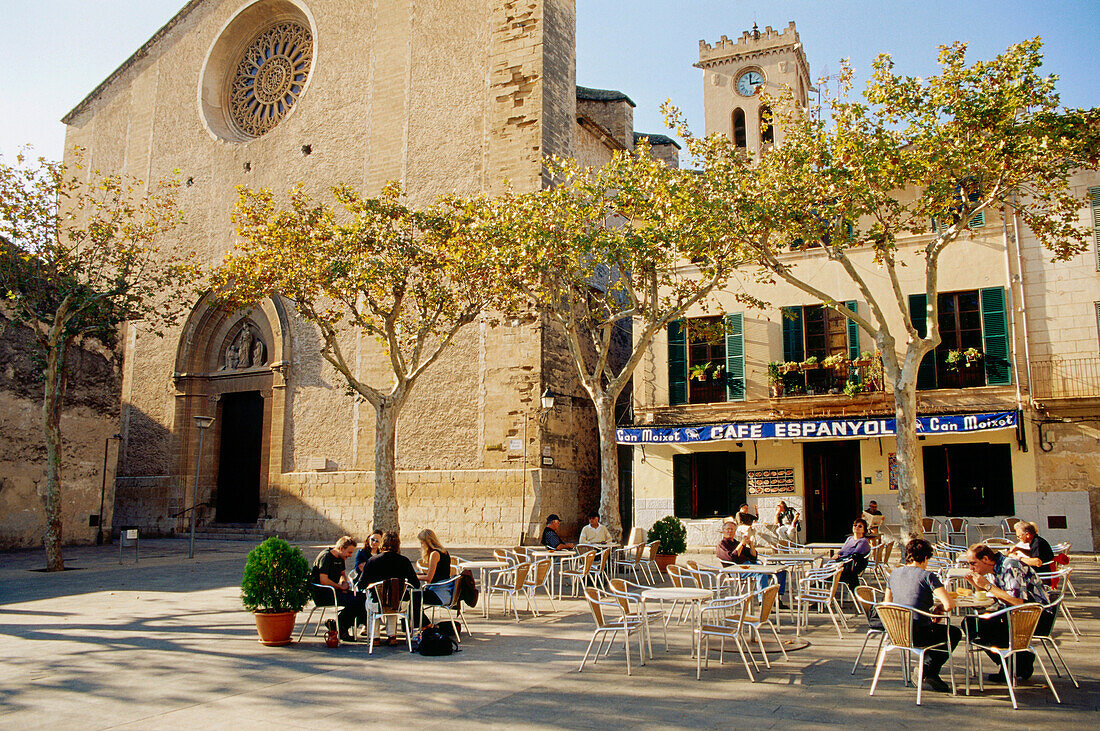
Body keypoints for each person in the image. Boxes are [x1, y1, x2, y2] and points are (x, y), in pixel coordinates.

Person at [963, 543, 1051, 682]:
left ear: (985, 559)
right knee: (970, 623)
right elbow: (998, 596)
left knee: (985, 626)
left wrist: (987, 585)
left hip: (1036, 617)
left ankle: (1017, 663)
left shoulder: (1010, 566)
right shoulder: (993, 570)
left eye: (973, 563)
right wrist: (978, 586)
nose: (971, 568)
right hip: (1015, 614)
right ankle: (1014, 663)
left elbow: (1018, 602)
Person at [884, 538, 961, 693]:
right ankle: (929, 670)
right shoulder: (927, 576)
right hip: (919, 633)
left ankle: (926, 668)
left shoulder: (894, 574)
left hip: (897, 631)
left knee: (936, 630)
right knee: (953, 632)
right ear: (925, 558)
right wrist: (938, 607)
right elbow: (949, 605)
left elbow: (887, 603)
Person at [359, 531, 422, 642]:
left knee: (375, 603)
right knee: (393, 600)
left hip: (377, 603)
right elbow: (415, 584)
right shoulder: (404, 561)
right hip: (399, 604)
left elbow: (361, 584)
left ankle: (375, 637)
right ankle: (392, 636)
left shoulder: (372, 561)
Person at [716, 514, 787, 606]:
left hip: (750, 565)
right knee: (760, 574)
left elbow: (753, 557)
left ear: (735, 531)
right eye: (727, 529)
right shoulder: (722, 545)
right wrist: (742, 544)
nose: (730, 531)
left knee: (780, 571)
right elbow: (732, 558)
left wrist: (751, 544)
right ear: (723, 531)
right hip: (736, 569)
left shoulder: (736, 542)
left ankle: (777, 599)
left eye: (732, 529)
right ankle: (763, 602)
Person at [309, 536, 369, 642]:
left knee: (363, 598)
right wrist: (340, 587)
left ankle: (338, 626)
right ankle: (341, 628)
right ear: (341, 548)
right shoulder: (326, 557)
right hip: (323, 593)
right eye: (349, 552)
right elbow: (324, 580)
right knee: (355, 602)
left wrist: (344, 582)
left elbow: (342, 574)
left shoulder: (341, 558)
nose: (350, 556)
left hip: (335, 590)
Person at [416, 528, 454, 620]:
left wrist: (415, 577)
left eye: (422, 543)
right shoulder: (444, 552)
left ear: (427, 542)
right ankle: (421, 624)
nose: (421, 546)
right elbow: (438, 573)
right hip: (445, 591)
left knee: (411, 597)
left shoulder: (435, 554)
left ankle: (424, 624)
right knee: (414, 595)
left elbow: (429, 578)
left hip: (439, 594)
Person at [832, 518, 872, 594]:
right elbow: (842, 550)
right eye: (855, 525)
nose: (856, 527)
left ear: (864, 530)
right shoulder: (849, 538)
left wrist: (839, 558)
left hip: (848, 567)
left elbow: (854, 554)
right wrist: (837, 554)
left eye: (860, 526)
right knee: (824, 563)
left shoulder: (863, 541)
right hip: (842, 562)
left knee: (823, 573)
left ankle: (819, 595)